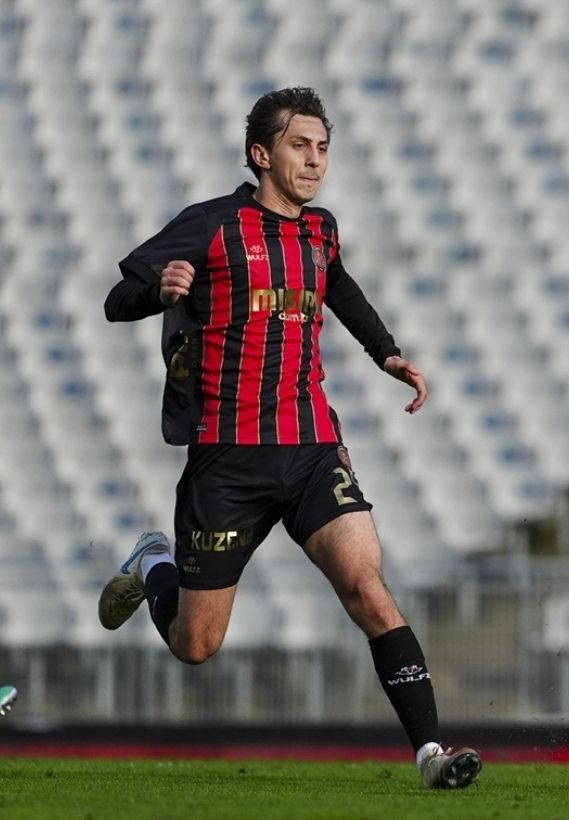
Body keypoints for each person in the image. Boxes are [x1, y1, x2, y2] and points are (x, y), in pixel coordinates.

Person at [98, 87, 481, 790]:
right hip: (228, 460)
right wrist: (159, 291)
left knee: (368, 589)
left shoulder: (320, 230)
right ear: (261, 154)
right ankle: (153, 563)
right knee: (196, 644)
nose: (315, 160)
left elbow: (339, 286)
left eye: (323, 147)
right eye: (300, 145)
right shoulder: (209, 226)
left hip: (311, 448)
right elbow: (116, 298)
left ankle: (432, 753)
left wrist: (388, 354)